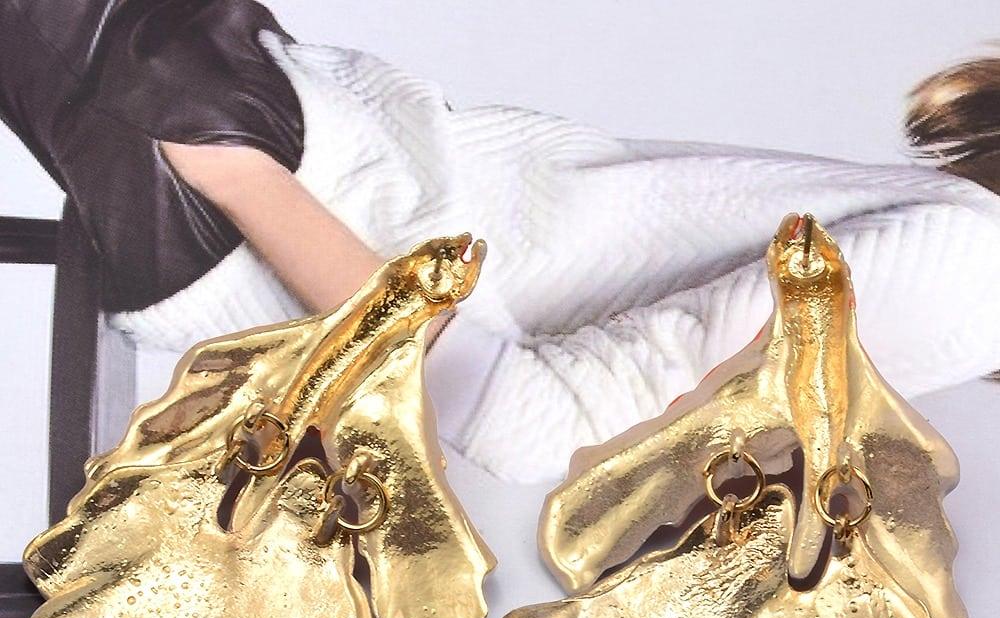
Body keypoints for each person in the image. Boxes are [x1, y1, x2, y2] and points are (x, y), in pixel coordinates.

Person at [4, 0, 1000, 483]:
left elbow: (539, 424)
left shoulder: (974, 273)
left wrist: (236, 173)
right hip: (279, 136)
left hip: (250, 178)